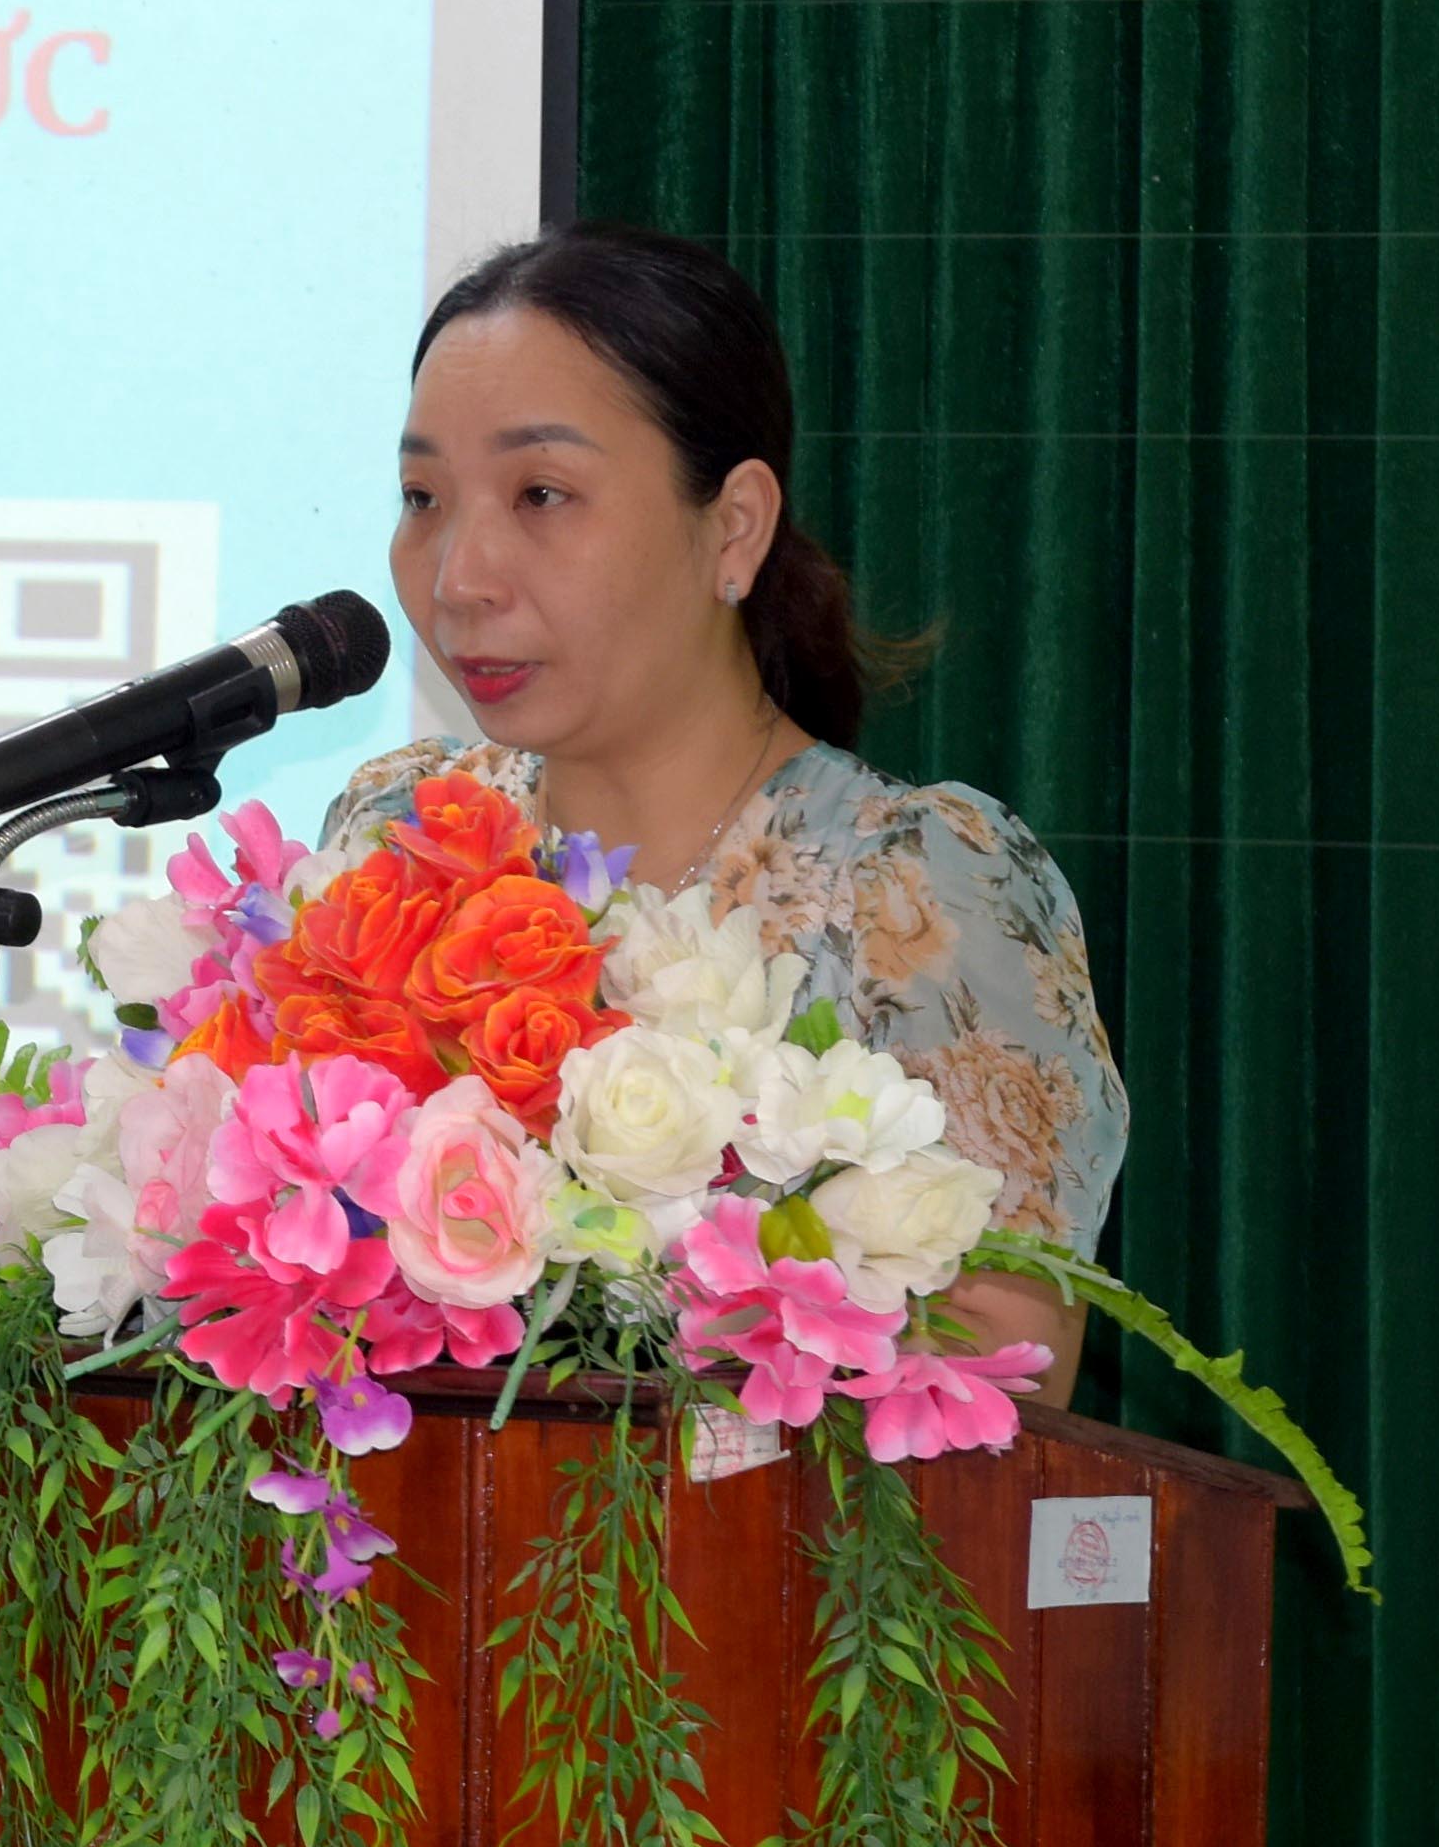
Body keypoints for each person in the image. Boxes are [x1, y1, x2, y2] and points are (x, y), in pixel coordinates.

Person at [331, 223, 1125, 1391]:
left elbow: (996, 1383)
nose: (458, 576)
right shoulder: (400, 835)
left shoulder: (913, 887)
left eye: (541, 493)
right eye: (422, 497)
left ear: (735, 526)